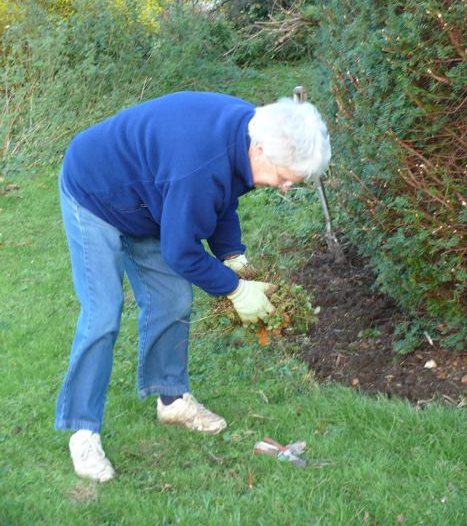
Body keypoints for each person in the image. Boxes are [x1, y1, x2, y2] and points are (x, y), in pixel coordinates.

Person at [56, 90, 331, 482]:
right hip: (95, 192)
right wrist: (235, 289)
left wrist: (232, 254)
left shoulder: (248, 130)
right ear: (262, 152)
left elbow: (223, 195)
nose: (286, 186)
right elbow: (181, 251)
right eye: (286, 177)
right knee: (102, 313)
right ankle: (82, 431)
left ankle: (172, 401)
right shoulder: (201, 163)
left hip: (150, 196)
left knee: (173, 297)